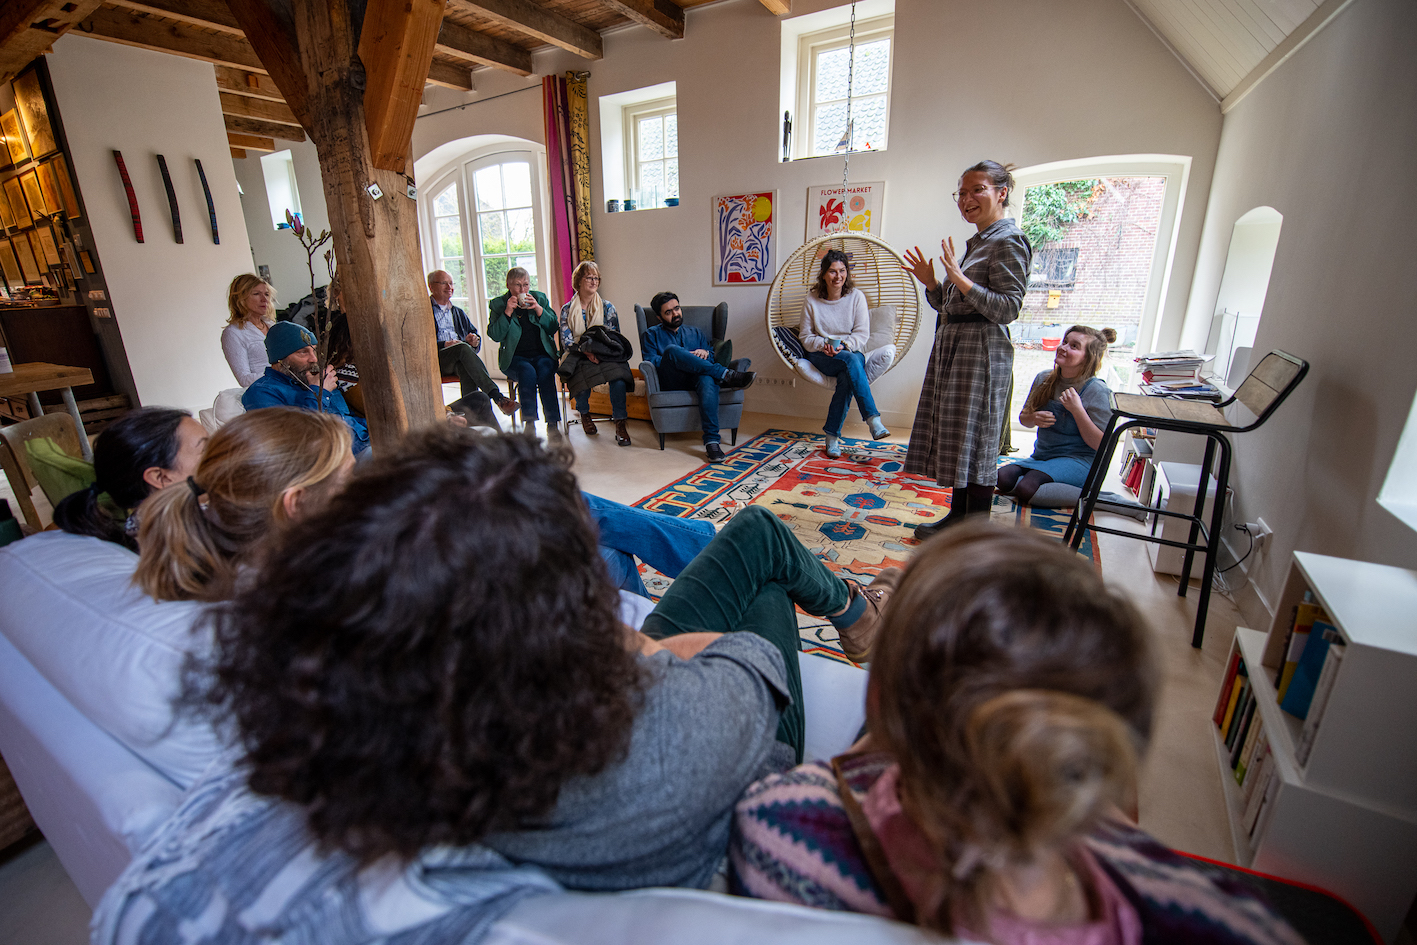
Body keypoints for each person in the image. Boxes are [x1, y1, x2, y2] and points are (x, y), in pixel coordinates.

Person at [93, 429, 901, 944]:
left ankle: (852, 609)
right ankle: (861, 614)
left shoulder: (272, 772)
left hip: (573, 700)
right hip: (727, 758)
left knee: (749, 539)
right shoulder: (670, 739)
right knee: (758, 549)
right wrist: (648, 649)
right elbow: (737, 663)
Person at [730, 523, 1307, 945]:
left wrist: (881, 733)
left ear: (876, 699)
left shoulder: (780, 828)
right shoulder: (1234, 925)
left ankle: (883, 629)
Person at [903, 161, 1032, 539]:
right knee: (961, 437)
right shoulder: (980, 242)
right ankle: (958, 519)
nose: (967, 199)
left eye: (977, 189)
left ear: (1001, 192)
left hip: (981, 353)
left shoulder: (1008, 240)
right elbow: (952, 306)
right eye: (961, 192)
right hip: (957, 349)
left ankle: (974, 531)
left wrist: (958, 279)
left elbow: (1008, 308)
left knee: (977, 440)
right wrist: (933, 284)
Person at [134, 407, 353, 603]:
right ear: (295, 503)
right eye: (348, 478)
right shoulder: (308, 603)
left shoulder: (213, 565)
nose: (358, 487)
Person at [50, 407, 207, 550]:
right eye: (206, 449)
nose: (220, 453)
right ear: (160, 477)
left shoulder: (141, 523)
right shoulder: (196, 537)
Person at [1001, 326, 1117, 505]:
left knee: (1027, 488)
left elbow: (1102, 445)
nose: (1063, 347)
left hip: (1080, 461)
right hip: (1042, 457)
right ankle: (1050, 487)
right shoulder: (1043, 378)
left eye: (1074, 346)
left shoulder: (1097, 390)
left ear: (1088, 358)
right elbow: (1024, 419)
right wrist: (1034, 418)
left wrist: (1077, 410)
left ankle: (1100, 500)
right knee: (1002, 478)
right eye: (1065, 342)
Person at [640, 291, 756, 464]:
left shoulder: (696, 332)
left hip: (698, 379)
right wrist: (682, 356)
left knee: (707, 379)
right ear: (659, 317)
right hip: (672, 380)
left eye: (676, 308)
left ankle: (712, 442)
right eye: (668, 312)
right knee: (672, 350)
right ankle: (725, 374)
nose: (675, 314)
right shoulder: (651, 334)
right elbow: (651, 360)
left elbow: (709, 358)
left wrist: (706, 353)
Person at [799, 250, 889, 458]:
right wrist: (824, 344)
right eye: (832, 271)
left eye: (842, 271)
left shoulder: (856, 297)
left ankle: (832, 438)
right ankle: (873, 420)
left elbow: (862, 333)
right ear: (823, 274)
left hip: (848, 352)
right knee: (852, 363)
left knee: (847, 373)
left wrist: (844, 345)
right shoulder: (811, 300)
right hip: (821, 355)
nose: (838, 276)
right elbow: (805, 337)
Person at [242, 321, 371, 457]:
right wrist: (320, 392)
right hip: (339, 460)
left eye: (314, 350)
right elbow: (298, 440)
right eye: (303, 352)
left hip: (368, 444)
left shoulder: (312, 379)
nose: (314, 359)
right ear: (280, 359)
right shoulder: (262, 392)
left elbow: (348, 418)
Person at [558, 261, 631, 446]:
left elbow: (615, 337)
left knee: (619, 376)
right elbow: (567, 342)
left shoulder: (608, 308)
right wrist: (586, 352)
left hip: (605, 354)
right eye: (589, 277)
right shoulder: (567, 310)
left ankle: (620, 423)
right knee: (579, 376)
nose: (593, 281)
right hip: (578, 353)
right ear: (578, 281)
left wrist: (599, 352)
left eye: (596, 278)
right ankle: (584, 414)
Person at [429, 269, 519, 416]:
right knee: (462, 349)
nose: (449, 287)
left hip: (458, 358)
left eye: (451, 283)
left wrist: (474, 341)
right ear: (431, 286)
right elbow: (420, 344)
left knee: (465, 367)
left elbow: (474, 336)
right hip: (437, 359)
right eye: (444, 283)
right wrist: (445, 344)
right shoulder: (424, 311)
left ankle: (471, 417)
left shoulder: (457, 312)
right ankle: (498, 397)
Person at [487, 267, 561, 440]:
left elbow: (553, 327)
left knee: (544, 371)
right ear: (508, 285)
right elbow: (495, 335)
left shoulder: (539, 298)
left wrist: (538, 309)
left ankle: (553, 424)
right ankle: (529, 424)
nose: (523, 290)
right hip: (515, 358)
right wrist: (507, 312)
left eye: (526, 285)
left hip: (542, 355)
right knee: (527, 372)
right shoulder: (498, 304)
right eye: (518, 286)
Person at [220, 274, 277, 388]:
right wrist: (280, 375)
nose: (264, 299)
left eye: (266, 294)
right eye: (256, 294)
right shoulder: (234, 333)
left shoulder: (273, 326)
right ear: (241, 299)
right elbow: (244, 379)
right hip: (265, 392)